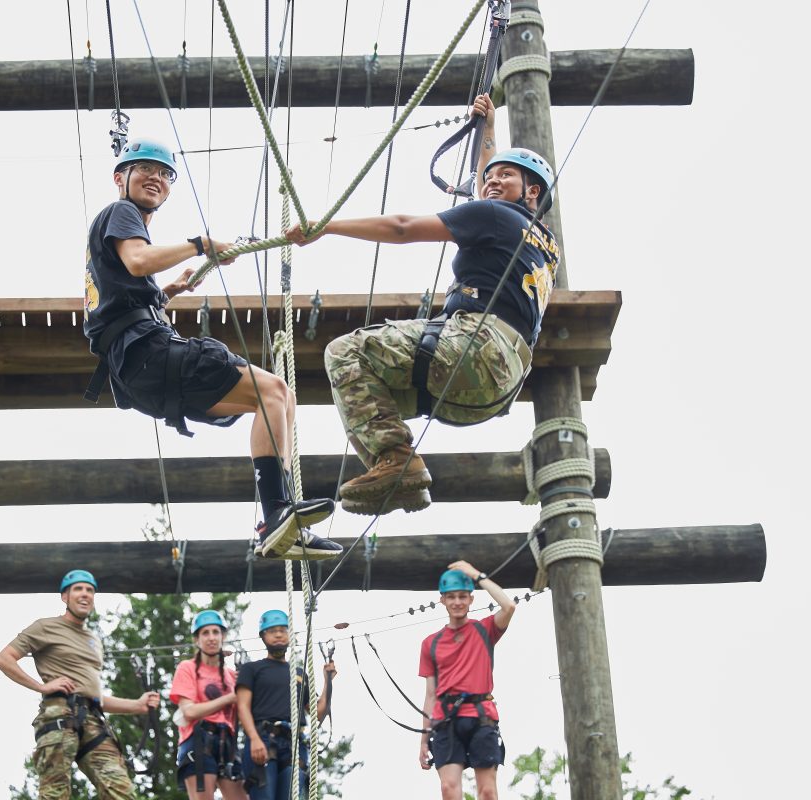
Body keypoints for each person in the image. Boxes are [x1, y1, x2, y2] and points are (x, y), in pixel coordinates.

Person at [285, 95, 560, 515]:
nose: (491, 182)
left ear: (532, 191)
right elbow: (491, 184)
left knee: (346, 353)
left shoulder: (496, 216)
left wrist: (325, 227)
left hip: (474, 349)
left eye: (505, 176)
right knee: (371, 396)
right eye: (490, 177)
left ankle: (396, 462)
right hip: (491, 389)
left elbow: (402, 228)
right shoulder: (544, 245)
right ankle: (395, 465)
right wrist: (486, 130)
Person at [81, 138, 340, 560]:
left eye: (165, 174)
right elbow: (138, 262)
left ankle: (279, 520)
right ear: (119, 178)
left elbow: (123, 296)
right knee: (274, 393)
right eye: (145, 169)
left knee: (277, 399)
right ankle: (277, 512)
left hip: (140, 377)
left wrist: (169, 291)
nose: (156, 178)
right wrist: (200, 244)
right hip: (150, 357)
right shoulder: (121, 213)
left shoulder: (108, 248)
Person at [0, 569, 161, 800]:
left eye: (90, 590)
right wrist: (41, 687)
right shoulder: (46, 627)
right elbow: (4, 659)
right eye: (78, 589)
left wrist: (137, 705)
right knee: (55, 793)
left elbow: (95, 696)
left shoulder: (93, 639)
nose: (85, 594)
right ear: (65, 597)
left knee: (121, 791)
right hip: (59, 715)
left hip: (93, 719)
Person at [419, 562, 516, 800]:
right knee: (448, 789)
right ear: (442, 600)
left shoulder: (485, 630)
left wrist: (475, 574)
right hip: (446, 720)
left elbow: (509, 605)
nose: (457, 602)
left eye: (463, 596)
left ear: (471, 599)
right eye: (451, 597)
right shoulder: (430, 643)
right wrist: (423, 739)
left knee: (487, 791)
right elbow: (430, 695)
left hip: (481, 717)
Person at [235, 610, 335, 800]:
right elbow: (242, 707)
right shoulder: (252, 669)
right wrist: (254, 739)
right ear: (263, 636)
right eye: (272, 631)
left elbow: (317, 714)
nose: (279, 634)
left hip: (293, 744)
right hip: (263, 738)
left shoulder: (299, 673)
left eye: (282, 630)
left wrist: (328, 681)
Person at [169, 609, 248, 800]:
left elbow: (245, 711)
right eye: (205, 633)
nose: (211, 638)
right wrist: (228, 698)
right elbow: (189, 712)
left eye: (216, 632)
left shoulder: (230, 676)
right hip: (199, 740)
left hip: (227, 744)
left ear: (223, 636)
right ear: (197, 639)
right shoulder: (187, 668)